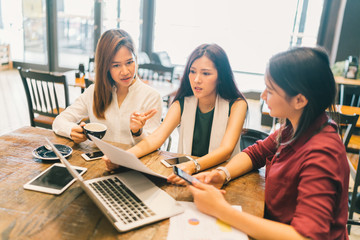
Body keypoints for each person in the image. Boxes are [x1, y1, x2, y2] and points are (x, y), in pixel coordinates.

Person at [189, 47, 349, 239]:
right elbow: (256, 153)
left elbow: (306, 237)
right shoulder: (295, 127)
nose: (263, 96)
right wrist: (223, 174)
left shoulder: (323, 153)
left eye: (270, 90)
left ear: (299, 100)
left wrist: (222, 210)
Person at [105, 43, 248, 184]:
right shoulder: (182, 103)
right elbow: (155, 139)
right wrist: (122, 158)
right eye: (192, 71)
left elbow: (226, 150)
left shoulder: (237, 105)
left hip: (222, 178)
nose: (197, 79)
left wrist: (191, 166)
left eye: (206, 73)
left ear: (221, 76)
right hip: (185, 176)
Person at [53, 29, 162, 145]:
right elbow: (59, 122)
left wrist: (137, 132)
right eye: (116, 65)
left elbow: (153, 146)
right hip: (98, 161)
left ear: (136, 59)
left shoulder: (152, 97)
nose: (125, 72)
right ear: (105, 67)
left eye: (129, 62)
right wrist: (72, 131)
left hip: (133, 161)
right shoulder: (94, 92)